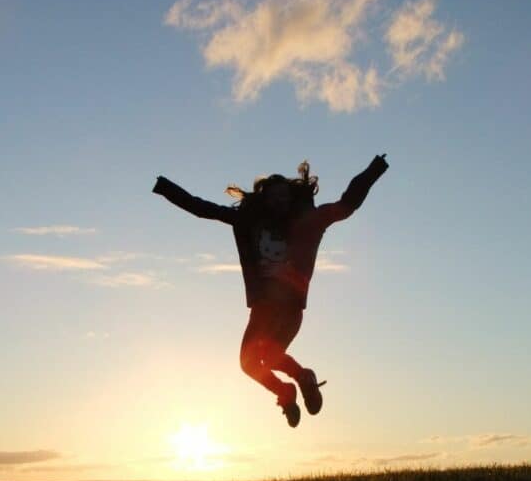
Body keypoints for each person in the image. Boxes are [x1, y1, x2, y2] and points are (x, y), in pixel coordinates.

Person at [152, 154, 389, 427]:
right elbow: (203, 208)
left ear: (291, 199)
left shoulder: (309, 222)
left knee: (271, 356)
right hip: (263, 309)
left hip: (290, 307)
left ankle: (302, 379)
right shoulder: (248, 222)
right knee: (249, 364)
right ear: (264, 200)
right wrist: (165, 188)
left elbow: (347, 205)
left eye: (284, 196)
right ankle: (288, 390)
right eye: (273, 197)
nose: (279, 201)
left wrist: (374, 170)